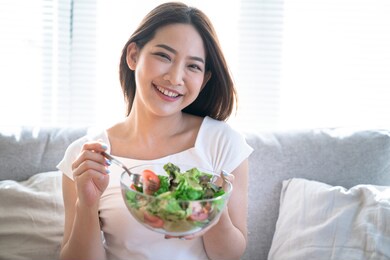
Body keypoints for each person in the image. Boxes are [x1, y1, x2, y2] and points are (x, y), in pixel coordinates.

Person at [57, 2, 253, 260]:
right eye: (164, 56)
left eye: (193, 66)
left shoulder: (223, 143)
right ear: (133, 56)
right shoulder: (86, 157)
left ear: (204, 79)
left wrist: (212, 208)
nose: (175, 78)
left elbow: (229, 256)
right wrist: (87, 204)